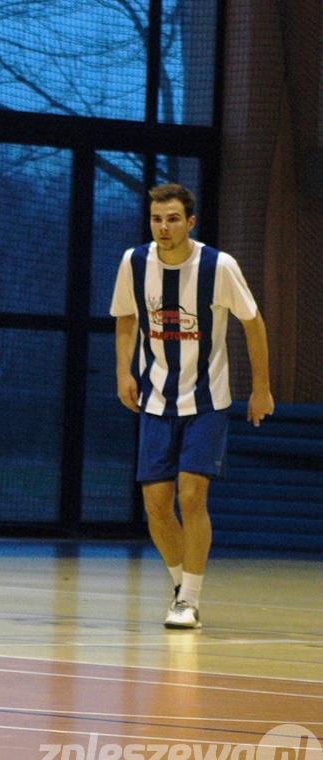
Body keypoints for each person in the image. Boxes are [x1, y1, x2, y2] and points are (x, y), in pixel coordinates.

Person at [111, 183, 274, 630]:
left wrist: (261, 388)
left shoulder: (219, 267)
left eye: (173, 219)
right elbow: (125, 318)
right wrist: (124, 372)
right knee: (156, 505)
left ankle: (190, 601)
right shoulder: (134, 262)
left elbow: (253, 323)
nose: (163, 227)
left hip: (207, 400)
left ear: (190, 222)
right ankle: (181, 586)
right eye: (156, 219)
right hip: (156, 399)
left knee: (191, 495)